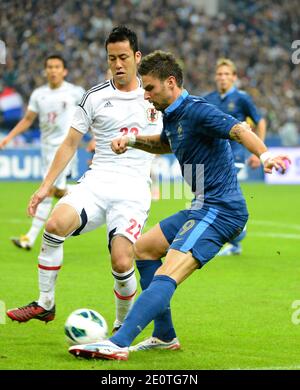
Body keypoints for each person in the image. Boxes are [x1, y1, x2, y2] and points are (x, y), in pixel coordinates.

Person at [68, 50, 290, 360]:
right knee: (142, 249)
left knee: (168, 271)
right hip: (202, 206)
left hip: (222, 210)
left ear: (170, 82)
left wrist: (265, 155)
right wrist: (131, 140)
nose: (145, 95)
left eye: (150, 88)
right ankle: (164, 335)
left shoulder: (198, 110)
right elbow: (165, 143)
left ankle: (118, 343)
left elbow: (239, 129)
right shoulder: (171, 115)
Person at [6, 27, 162, 333]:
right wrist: (44, 188)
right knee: (53, 225)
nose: (118, 64)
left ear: (137, 57)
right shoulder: (94, 96)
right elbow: (69, 143)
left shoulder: (154, 95)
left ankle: (122, 328)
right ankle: (45, 303)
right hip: (96, 182)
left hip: (132, 191)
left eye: (124, 57)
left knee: (121, 261)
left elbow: (172, 140)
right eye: (112, 58)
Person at [0, 55, 85, 250]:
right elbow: (28, 120)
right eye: (50, 67)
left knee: (48, 191)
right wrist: (8, 138)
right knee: (57, 192)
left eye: (57, 67)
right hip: (46, 150)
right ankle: (88, 195)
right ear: (45, 70)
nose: (53, 70)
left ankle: (29, 238)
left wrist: (96, 137)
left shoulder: (75, 92)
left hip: (65, 149)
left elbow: (90, 114)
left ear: (64, 71)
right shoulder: (39, 94)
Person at [204, 58, 266, 256]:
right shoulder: (209, 98)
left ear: (234, 77)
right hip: (213, 157)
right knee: (210, 198)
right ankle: (236, 239)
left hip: (235, 155)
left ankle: (236, 229)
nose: (222, 78)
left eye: (226, 74)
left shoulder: (242, 98)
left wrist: (259, 153)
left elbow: (260, 122)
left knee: (221, 196)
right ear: (215, 77)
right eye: (219, 74)